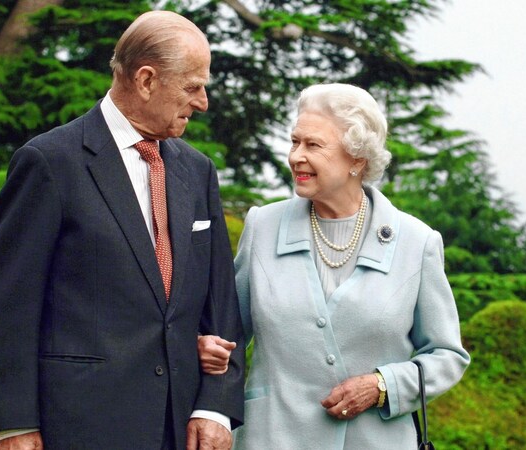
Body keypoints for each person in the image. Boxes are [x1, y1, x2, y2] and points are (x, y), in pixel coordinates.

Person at [0, 11, 244, 450]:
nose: (202, 102)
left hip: (181, 428)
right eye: (192, 87)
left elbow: (220, 305)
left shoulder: (198, 171)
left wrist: (215, 405)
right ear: (145, 80)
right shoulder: (48, 163)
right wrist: (14, 423)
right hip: (79, 426)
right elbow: (11, 306)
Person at [198, 83, 470, 449]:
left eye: (313, 145)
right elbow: (227, 332)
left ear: (357, 159)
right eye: (295, 142)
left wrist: (382, 385)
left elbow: (446, 355)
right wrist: (204, 347)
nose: (296, 156)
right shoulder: (262, 226)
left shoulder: (416, 242)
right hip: (273, 438)